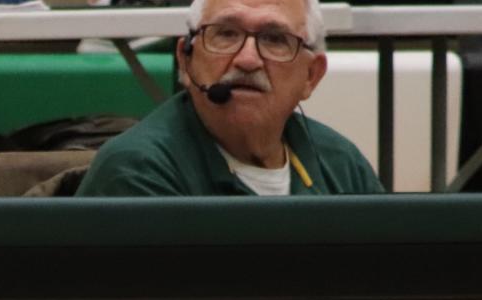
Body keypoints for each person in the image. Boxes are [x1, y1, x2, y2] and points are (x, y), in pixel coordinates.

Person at [76, 0, 383, 197]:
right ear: (185, 60)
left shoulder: (341, 163)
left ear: (311, 76)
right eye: (225, 34)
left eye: (275, 39)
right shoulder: (137, 171)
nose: (248, 60)